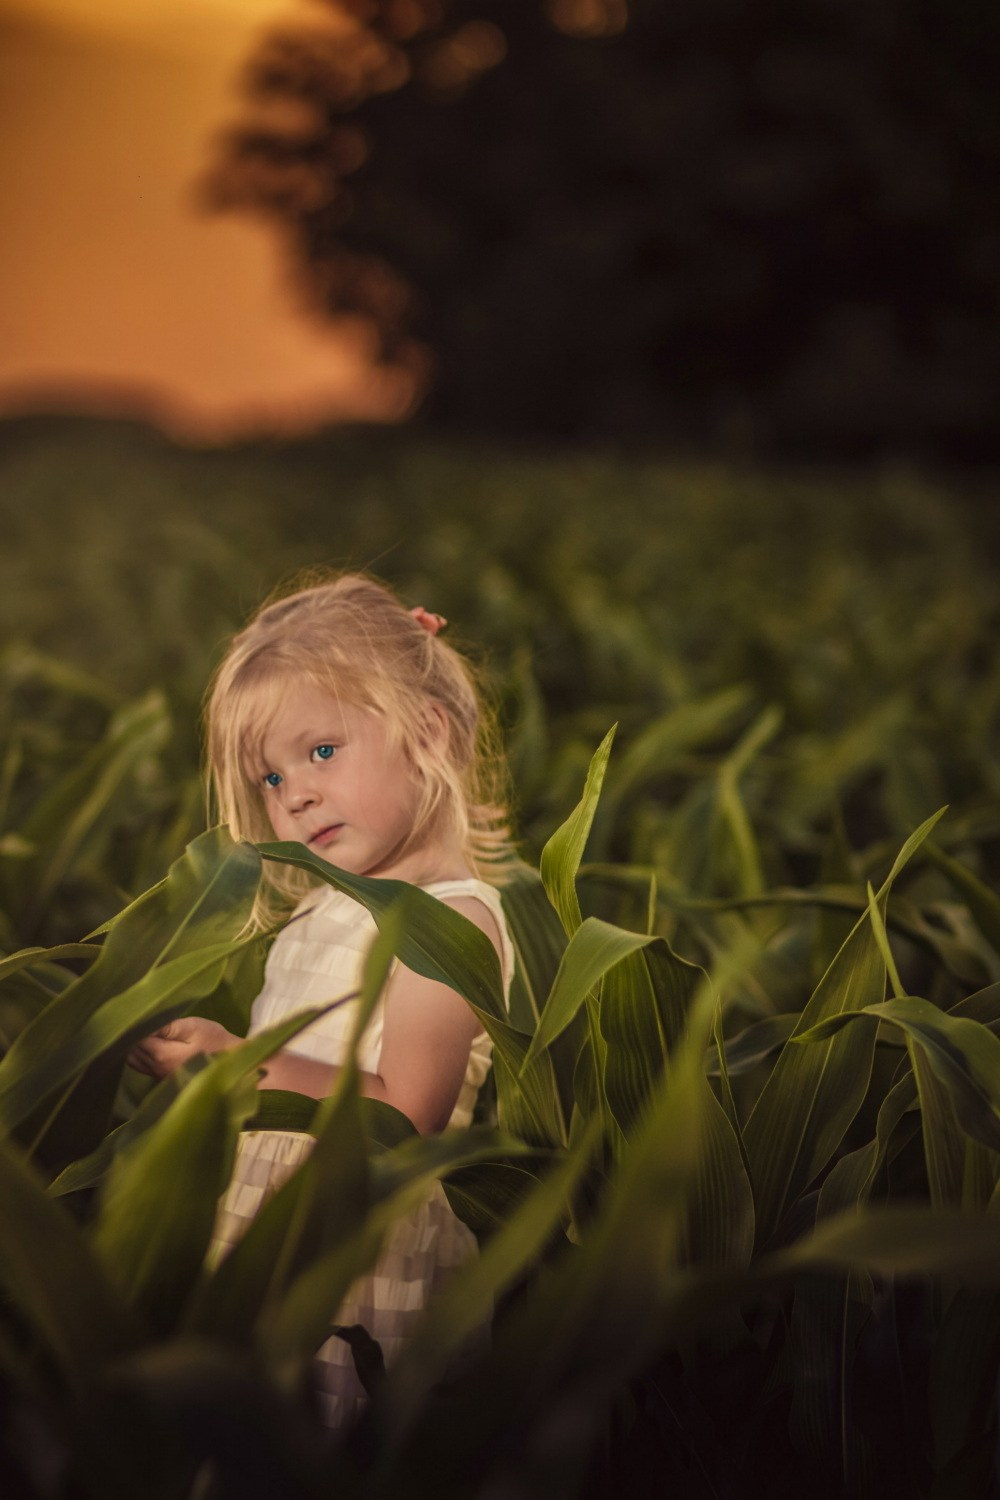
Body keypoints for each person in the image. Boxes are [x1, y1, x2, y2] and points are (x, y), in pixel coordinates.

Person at [128, 572, 516, 1428]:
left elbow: (405, 1115)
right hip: (271, 1241)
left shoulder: (449, 921)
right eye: (269, 777)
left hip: (359, 1262)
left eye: (323, 752)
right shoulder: (319, 912)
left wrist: (241, 1062)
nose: (294, 794)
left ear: (426, 733)